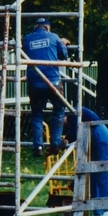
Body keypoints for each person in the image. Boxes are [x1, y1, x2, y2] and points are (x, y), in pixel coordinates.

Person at [22, 16, 68, 156]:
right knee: (59, 110)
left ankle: (37, 146)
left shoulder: (27, 39)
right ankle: (55, 142)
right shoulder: (54, 37)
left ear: (35, 27)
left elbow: (24, 55)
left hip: (35, 82)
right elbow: (63, 55)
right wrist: (63, 43)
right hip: (53, 81)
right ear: (47, 27)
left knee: (36, 113)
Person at [64, 106, 108, 216]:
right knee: (93, 177)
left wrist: (65, 141)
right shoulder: (74, 115)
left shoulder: (73, 113)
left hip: (102, 139)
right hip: (94, 141)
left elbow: (73, 134)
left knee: (104, 174)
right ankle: (97, 214)